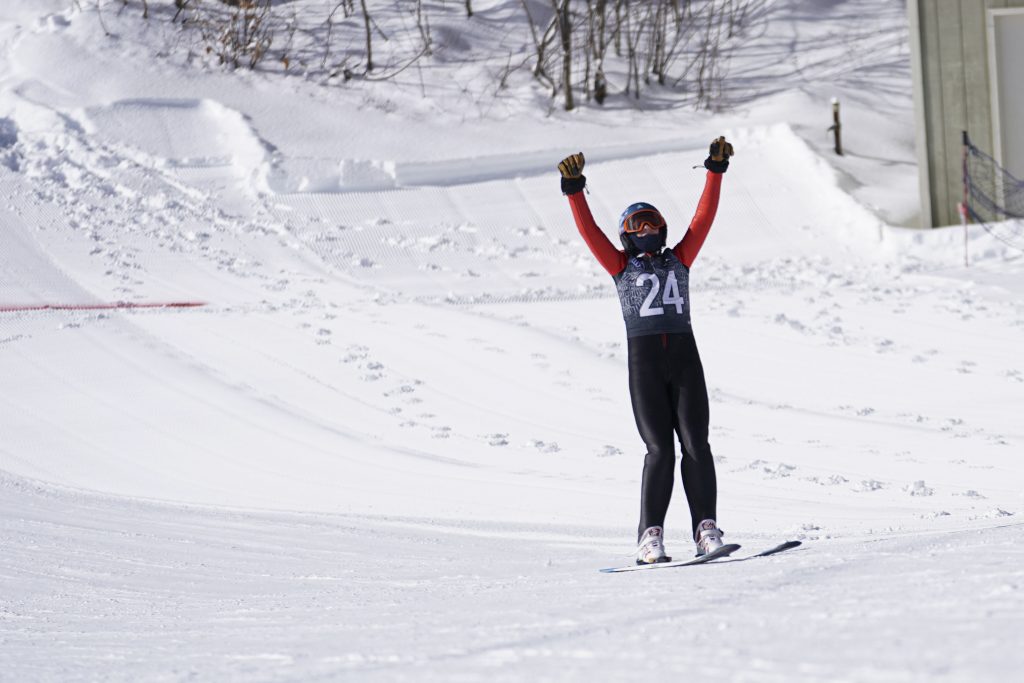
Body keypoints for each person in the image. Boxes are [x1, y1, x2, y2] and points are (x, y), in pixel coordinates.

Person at [557, 138, 733, 564]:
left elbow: (704, 219)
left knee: (697, 444)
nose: (647, 231)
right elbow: (590, 233)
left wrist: (715, 171)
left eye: (652, 224)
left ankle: (706, 529)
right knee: (660, 450)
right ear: (626, 236)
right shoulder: (620, 267)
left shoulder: (680, 259)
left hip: (685, 361)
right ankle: (649, 537)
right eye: (637, 227)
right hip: (646, 365)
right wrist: (575, 190)